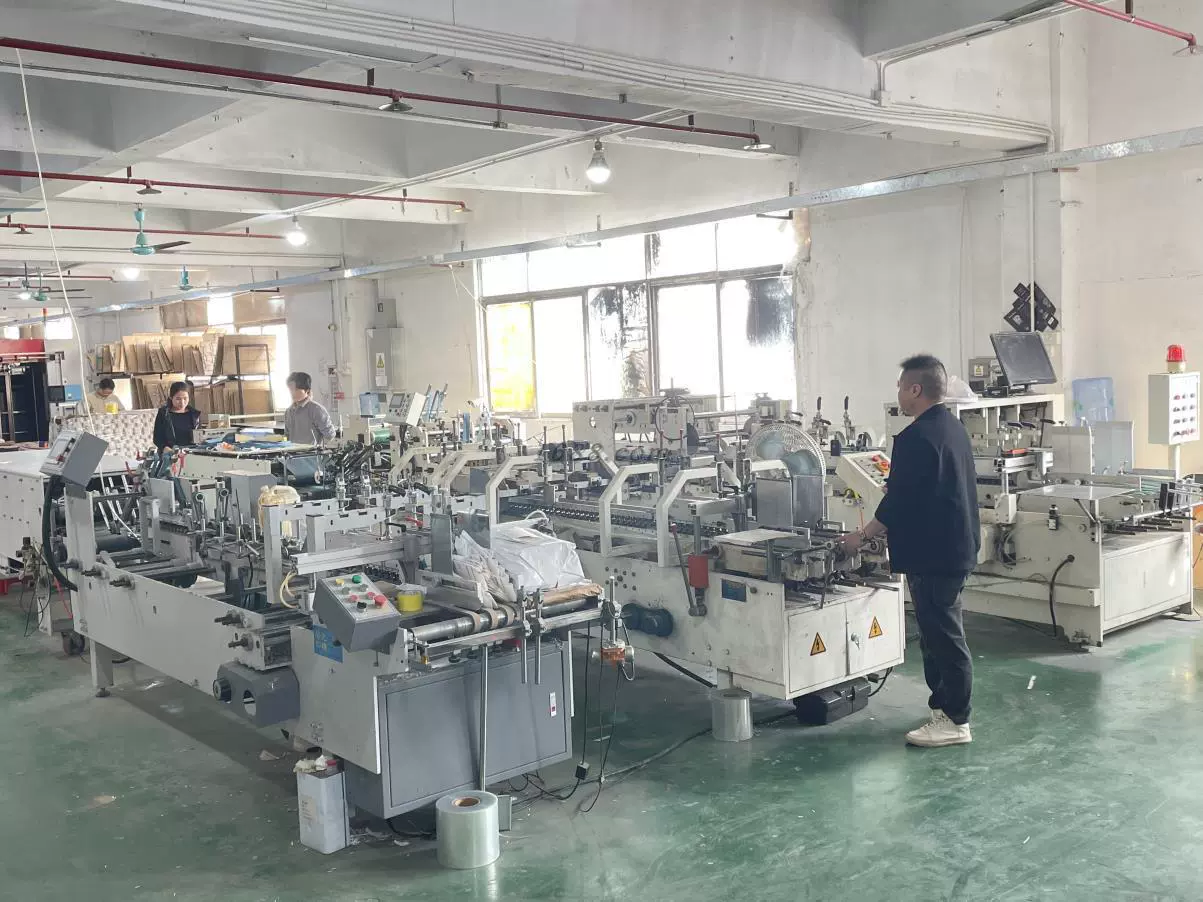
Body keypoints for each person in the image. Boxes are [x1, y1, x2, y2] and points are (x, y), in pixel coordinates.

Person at [837, 354, 980, 748]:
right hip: (955, 546)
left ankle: (956, 720)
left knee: (944, 637)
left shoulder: (916, 437)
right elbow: (928, 487)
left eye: (901, 386)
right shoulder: (952, 428)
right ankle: (943, 709)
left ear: (915, 389)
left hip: (935, 554)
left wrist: (860, 537)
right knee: (936, 635)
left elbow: (898, 503)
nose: (898, 393)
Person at [283, 371, 336, 445]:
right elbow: (286, 435)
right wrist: (282, 444)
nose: (292, 392)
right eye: (290, 389)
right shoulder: (289, 411)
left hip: (312, 452)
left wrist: (319, 447)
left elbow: (330, 435)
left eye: (296, 389)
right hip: (291, 451)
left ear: (307, 391)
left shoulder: (316, 410)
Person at [152, 381, 202, 452]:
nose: (182, 402)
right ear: (171, 397)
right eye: (178, 399)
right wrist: (166, 449)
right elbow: (157, 438)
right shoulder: (163, 414)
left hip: (191, 453)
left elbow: (199, 438)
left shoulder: (195, 415)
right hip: (171, 453)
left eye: (185, 398)